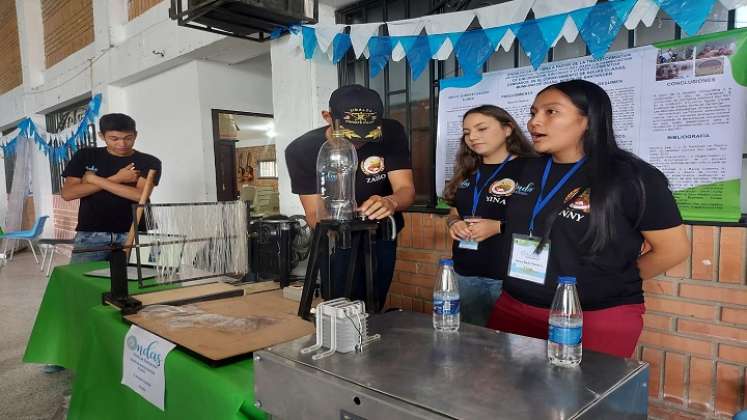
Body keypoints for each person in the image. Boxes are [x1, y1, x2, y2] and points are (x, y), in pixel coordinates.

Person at [488, 80, 689, 358]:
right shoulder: (525, 170)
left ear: (588, 119)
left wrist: (611, 281)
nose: (534, 122)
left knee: (582, 399)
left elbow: (673, 250)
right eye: (533, 112)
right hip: (515, 307)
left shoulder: (632, 176)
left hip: (595, 316)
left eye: (551, 112)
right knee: (507, 396)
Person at [285, 84, 415, 310]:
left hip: (380, 230)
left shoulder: (391, 133)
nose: (359, 143)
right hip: (336, 237)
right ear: (328, 117)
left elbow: (406, 189)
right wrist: (339, 227)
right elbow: (314, 213)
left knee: (374, 301)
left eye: (367, 136)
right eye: (352, 135)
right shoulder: (302, 150)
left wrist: (390, 202)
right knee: (340, 303)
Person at [441, 105, 535, 326]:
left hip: (508, 275)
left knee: (511, 347)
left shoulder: (532, 168)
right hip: (465, 271)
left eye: (481, 128)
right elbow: (454, 210)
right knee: (471, 342)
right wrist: (454, 222)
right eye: (466, 132)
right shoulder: (468, 168)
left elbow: (543, 219)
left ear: (508, 129)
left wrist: (499, 226)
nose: (472, 137)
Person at [61, 113, 161, 263]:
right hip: (92, 233)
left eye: (128, 138)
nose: (122, 144)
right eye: (114, 139)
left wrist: (94, 179)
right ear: (102, 136)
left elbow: (140, 196)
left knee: (135, 282)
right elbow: (68, 193)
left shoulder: (149, 161)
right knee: (85, 281)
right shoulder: (86, 156)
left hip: (134, 233)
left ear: (136, 135)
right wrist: (117, 178)